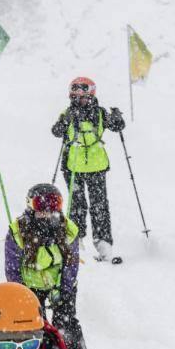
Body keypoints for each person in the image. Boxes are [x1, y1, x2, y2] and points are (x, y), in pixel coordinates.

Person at [5, 183, 91, 349]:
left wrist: (63, 289)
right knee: (35, 327)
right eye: (41, 206)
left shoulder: (68, 230)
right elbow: (12, 268)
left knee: (66, 323)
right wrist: (23, 294)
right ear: (30, 207)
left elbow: (71, 265)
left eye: (55, 205)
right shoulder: (18, 232)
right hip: (30, 287)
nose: (48, 212)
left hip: (60, 284)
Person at [51, 77, 125, 264]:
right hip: (73, 166)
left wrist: (117, 118)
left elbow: (117, 126)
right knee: (76, 205)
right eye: (75, 95)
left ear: (91, 94)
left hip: (96, 166)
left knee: (99, 205)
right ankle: (78, 241)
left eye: (82, 95)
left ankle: (103, 245)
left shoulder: (99, 113)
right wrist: (65, 121)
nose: (79, 99)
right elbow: (56, 131)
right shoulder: (67, 113)